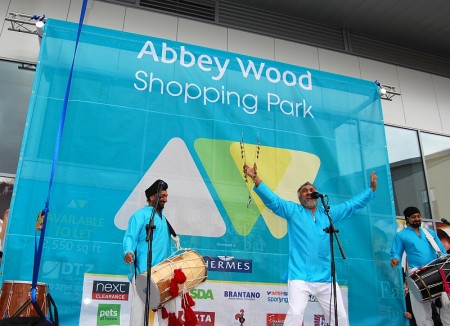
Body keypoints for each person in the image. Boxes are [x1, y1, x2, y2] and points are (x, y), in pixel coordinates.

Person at [243, 164, 377, 326]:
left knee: (340, 317)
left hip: (326, 277)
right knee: (295, 314)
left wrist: (370, 189)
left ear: (316, 195)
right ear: (300, 198)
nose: (308, 192)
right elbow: (273, 200)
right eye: (304, 191)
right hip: (300, 276)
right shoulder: (293, 211)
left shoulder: (328, 213)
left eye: (311, 190)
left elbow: (351, 205)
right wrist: (255, 177)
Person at [123, 179, 176, 325]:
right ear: (152, 197)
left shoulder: (164, 219)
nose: (165, 199)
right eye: (162, 196)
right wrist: (128, 251)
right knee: (140, 310)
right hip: (143, 272)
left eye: (166, 196)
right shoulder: (139, 215)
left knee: (167, 312)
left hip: (163, 273)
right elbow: (130, 236)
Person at [390, 206, 450, 326]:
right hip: (417, 275)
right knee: (422, 315)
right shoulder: (401, 235)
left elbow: (442, 252)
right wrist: (395, 258)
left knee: (447, 308)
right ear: (407, 219)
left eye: (418, 216)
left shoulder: (430, 233)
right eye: (413, 217)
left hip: (437, 273)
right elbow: (396, 252)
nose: (417, 219)